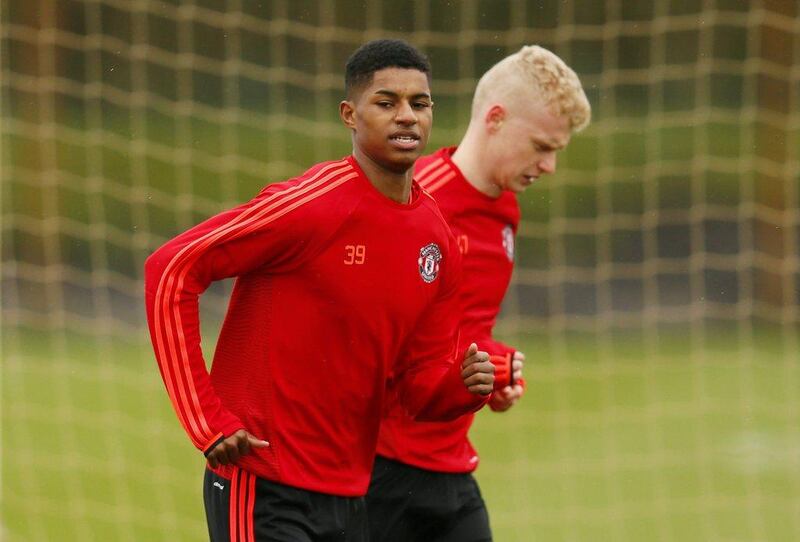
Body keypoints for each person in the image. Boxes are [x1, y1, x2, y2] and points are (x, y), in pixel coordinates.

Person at [143, 39, 496, 542]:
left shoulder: (436, 240)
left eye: (419, 104)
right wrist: (207, 420)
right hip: (264, 485)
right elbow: (171, 270)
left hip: (353, 495)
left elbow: (417, 387)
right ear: (350, 115)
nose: (406, 116)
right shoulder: (313, 205)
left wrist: (462, 387)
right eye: (386, 102)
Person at [367, 45, 592, 541]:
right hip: (379, 469)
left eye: (556, 150)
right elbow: (373, 337)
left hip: (449, 465)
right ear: (495, 118)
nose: (549, 165)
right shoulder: (413, 200)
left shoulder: (505, 210)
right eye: (540, 145)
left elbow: (460, 328)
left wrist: (493, 368)